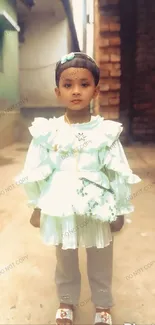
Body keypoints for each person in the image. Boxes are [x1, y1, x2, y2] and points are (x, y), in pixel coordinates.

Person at [15, 52, 141, 325]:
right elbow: (37, 168)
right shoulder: (48, 132)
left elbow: (116, 171)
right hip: (60, 205)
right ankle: (66, 301)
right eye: (68, 85)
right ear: (57, 91)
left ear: (95, 91)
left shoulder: (105, 133)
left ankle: (103, 305)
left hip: (97, 205)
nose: (76, 91)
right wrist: (37, 205)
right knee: (65, 257)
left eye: (84, 85)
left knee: (100, 257)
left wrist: (119, 209)